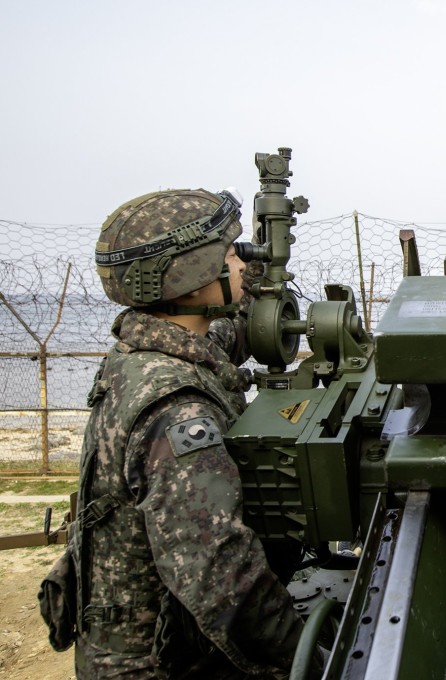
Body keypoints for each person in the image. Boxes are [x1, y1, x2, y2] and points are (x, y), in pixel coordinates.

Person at [38, 188, 303, 678]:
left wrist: (269, 270)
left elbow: (229, 337)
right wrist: (312, 655)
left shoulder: (142, 353)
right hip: (158, 665)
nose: (241, 262)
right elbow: (222, 575)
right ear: (193, 277)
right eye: (229, 254)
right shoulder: (177, 411)